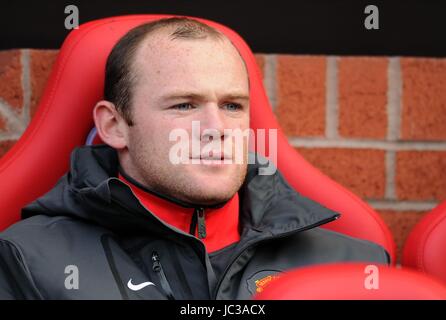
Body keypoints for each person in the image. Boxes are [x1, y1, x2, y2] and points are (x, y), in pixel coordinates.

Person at [0, 17, 389, 300]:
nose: (215, 127)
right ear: (115, 125)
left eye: (233, 105)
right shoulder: (29, 261)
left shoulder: (355, 264)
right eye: (184, 105)